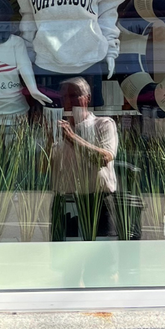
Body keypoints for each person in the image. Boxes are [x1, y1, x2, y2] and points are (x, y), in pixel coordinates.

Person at [50, 77, 118, 241]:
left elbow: (105, 157)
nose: (68, 101)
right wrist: (47, 142)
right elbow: (43, 169)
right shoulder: (58, 130)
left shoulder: (102, 124)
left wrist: (72, 138)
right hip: (66, 202)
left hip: (98, 201)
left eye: (74, 96)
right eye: (64, 97)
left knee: (101, 258)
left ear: (87, 98)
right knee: (63, 259)